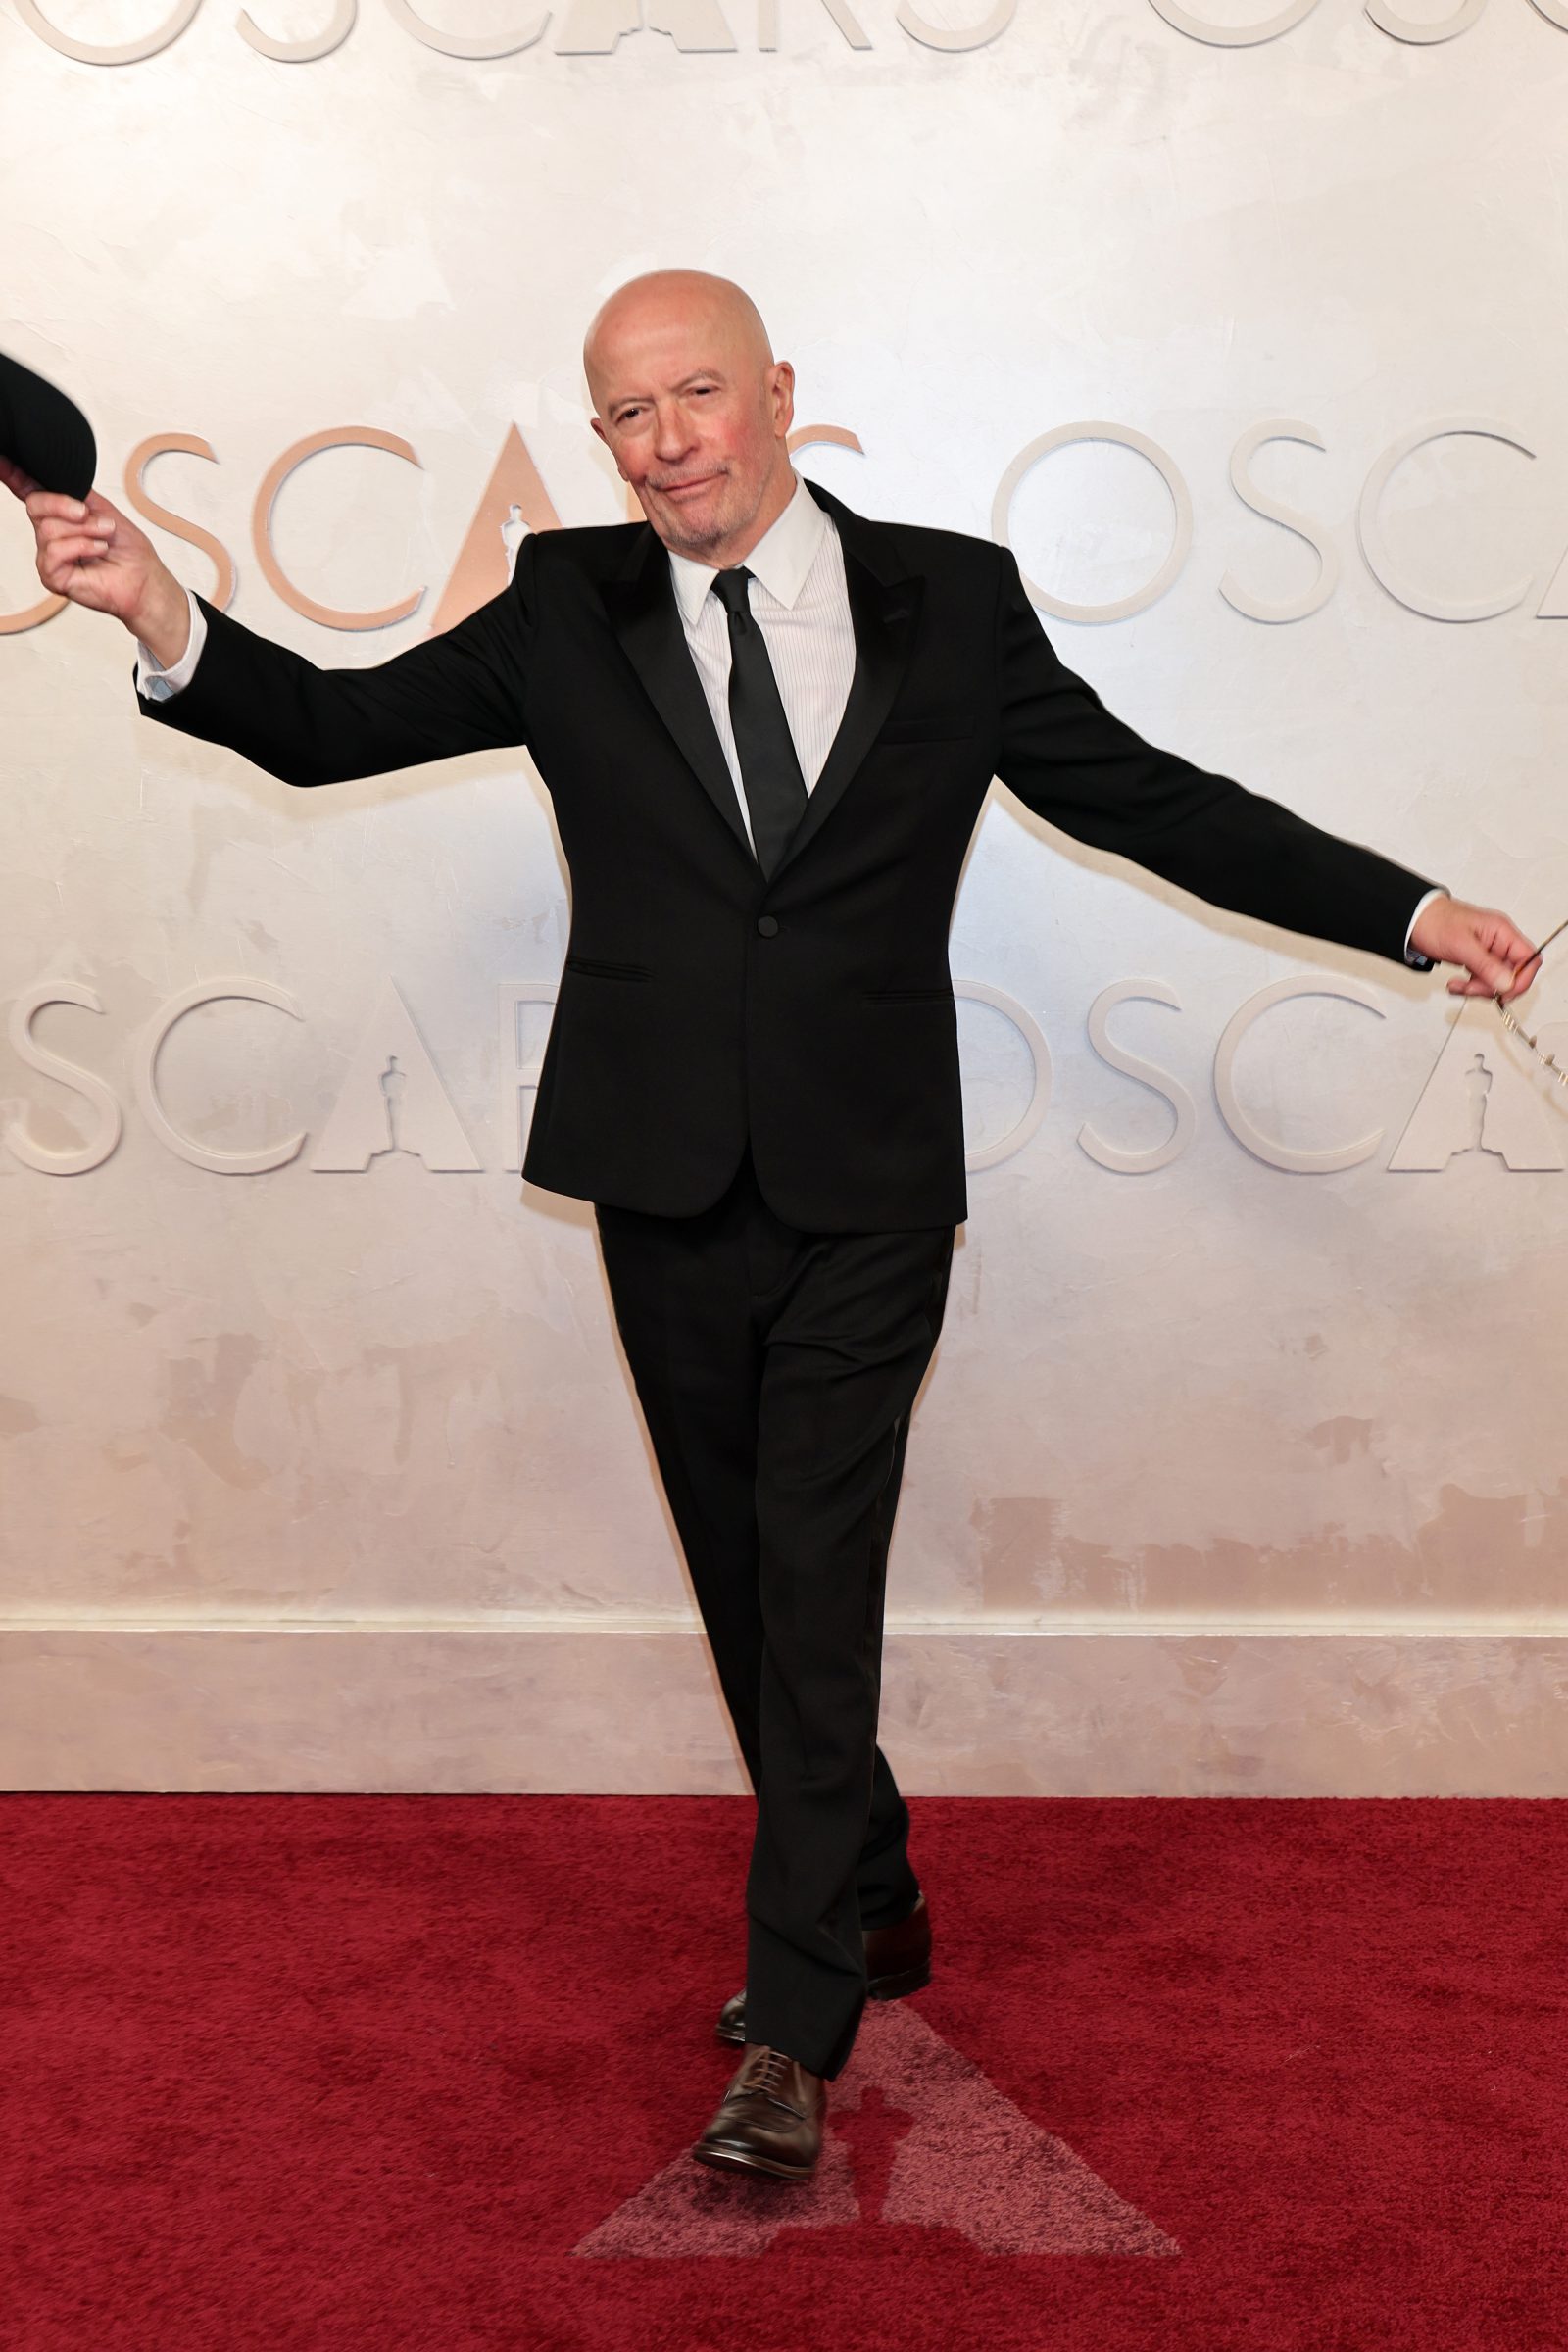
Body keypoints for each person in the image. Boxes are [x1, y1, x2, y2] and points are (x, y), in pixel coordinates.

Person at [5, 270, 1541, 2187]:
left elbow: (1146, 804)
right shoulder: (567, 605)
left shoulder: (950, 601)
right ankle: (872, 1881)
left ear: (778, 393)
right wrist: (158, 611)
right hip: (659, 1180)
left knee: (810, 1586)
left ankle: (794, 2024)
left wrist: (1404, 912)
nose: (665, 445)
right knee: (749, 1582)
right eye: (626, 416)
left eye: (695, 397)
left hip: (867, 1191)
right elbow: (328, 729)